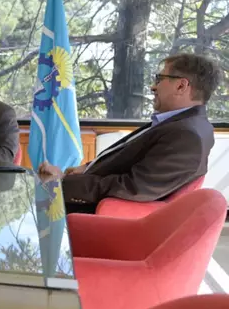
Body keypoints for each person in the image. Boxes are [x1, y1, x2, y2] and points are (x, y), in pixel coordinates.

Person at [39, 53, 220, 213]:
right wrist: (85, 169)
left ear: (181, 86)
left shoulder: (187, 136)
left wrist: (62, 183)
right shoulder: (179, 124)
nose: (153, 87)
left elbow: (133, 187)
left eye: (159, 79)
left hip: (89, 213)